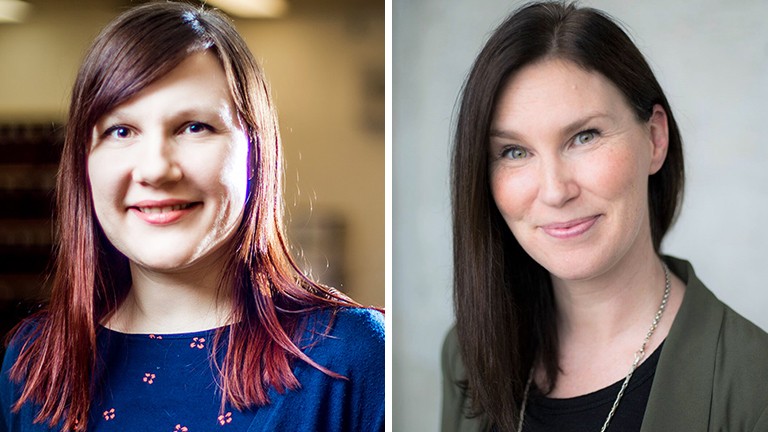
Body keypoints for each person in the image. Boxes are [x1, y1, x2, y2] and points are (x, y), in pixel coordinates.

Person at [0, 2, 384, 431]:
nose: (156, 169)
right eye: (121, 131)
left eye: (194, 127)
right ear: (83, 162)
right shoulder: (33, 364)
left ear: (256, 152)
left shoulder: (349, 357)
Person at [441, 2, 768, 431]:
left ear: (654, 138)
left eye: (584, 136)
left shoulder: (754, 385)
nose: (556, 190)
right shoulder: (467, 356)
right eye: (514, 152)